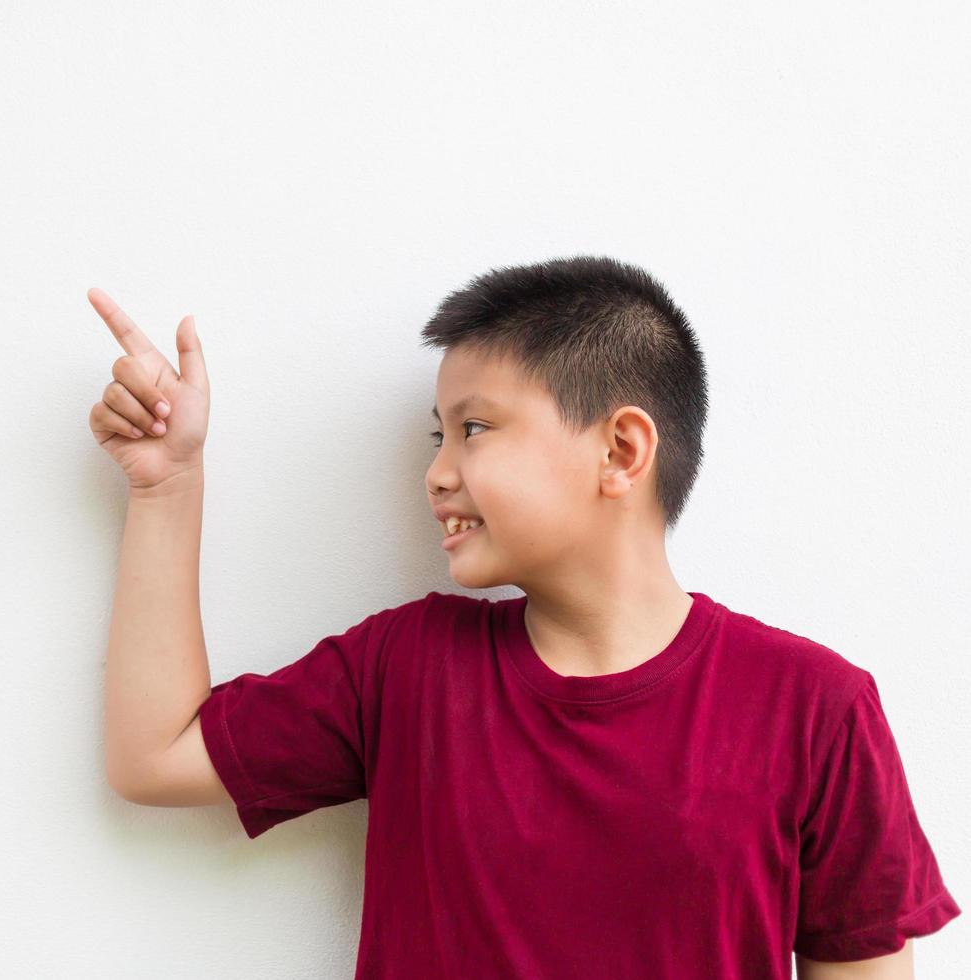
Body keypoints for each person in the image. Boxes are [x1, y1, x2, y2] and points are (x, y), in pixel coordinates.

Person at [89, 256, 960, 978]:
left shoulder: (814, 708)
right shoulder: (407, 667)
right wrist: (168, 486)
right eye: (440, 435)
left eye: (475, 428)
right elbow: (153, 756)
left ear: (621, 451)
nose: (437, 472)